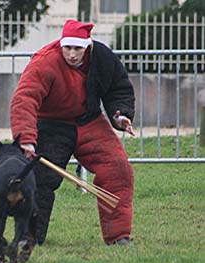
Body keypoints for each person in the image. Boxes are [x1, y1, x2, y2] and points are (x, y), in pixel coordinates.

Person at [10, 19, 135, 246]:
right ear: (61, 44)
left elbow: (118, 87)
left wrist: (121, 116)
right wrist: (26, 139)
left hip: (90, 121)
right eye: (67, 48)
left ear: (87, 46)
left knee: (118, 169)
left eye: (78, 49)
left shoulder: (102, 57)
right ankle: (28, 237)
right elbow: (24, 99)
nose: (72, 54)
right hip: (50, 124)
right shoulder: (44, 62)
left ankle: (119, 237)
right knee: (39, 179)